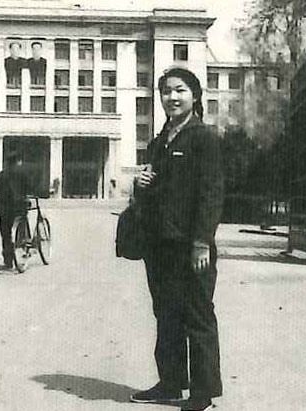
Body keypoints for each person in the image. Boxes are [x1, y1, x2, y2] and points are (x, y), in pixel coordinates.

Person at [130, 67, 225, 411]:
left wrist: (202, 242)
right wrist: (139, 184)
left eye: (180, 90)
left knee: (198, 315)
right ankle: (170, 382)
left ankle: (203, 393)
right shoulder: (160, 140)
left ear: (195, 96)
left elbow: (212, 193)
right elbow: (154, 189)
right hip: (160, 244)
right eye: (166, 92)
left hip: (191, 245)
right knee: (166, 314)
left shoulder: (204, 138)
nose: (172, 97)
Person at [0, 151, 29, 269]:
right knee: (21, 230)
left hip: (4, 208)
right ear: (17, 161)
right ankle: (22, 252)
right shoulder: (23, 174)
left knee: (5, 234)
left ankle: (8, 260)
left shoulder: (1, 175)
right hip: (19, 207)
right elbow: (29, 187)